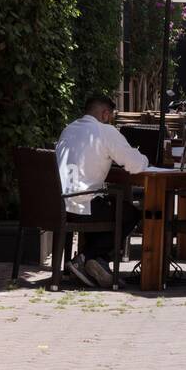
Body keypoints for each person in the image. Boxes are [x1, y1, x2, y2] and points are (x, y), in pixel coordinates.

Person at [56, 94, 147, 289]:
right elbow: (134, 164)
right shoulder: (105, 131)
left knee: (106, 204)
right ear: (105, 114)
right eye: (111, 116)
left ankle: (95, 261)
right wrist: (145, 159)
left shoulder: (68, 129)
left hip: (58, 205)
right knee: (130, 213)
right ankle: (87, 258)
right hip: (83, 207)